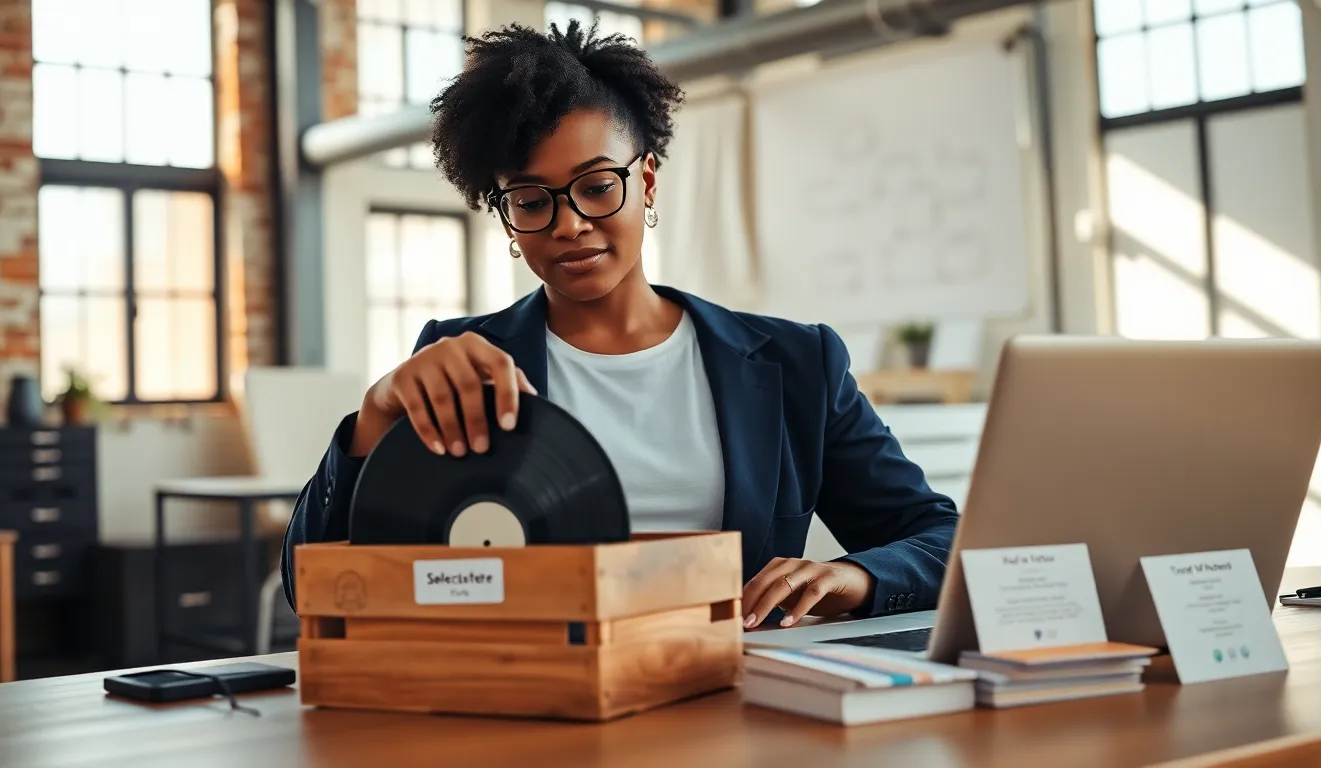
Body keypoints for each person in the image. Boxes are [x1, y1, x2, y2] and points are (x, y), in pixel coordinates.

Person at [281, 20, 958, 630]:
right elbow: (308, 584)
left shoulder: (796, 363)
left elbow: (939, 537)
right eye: (531, 200)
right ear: (507, 215)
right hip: (528, 694)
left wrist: (855, 576)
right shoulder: (463, 359)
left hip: (730, 697)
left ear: (649, 181)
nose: (571, 223)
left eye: (598, 185)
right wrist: (373, 418)